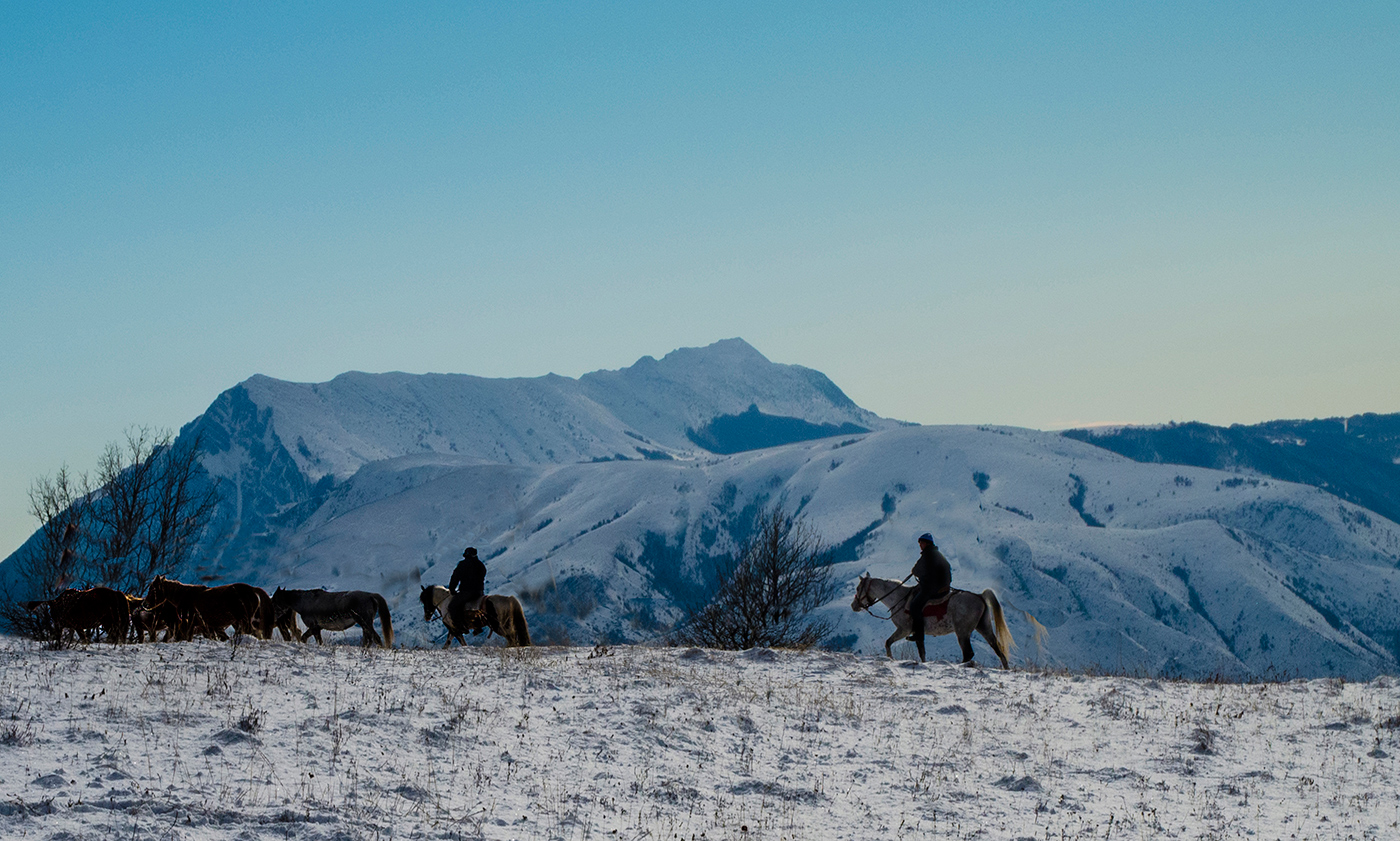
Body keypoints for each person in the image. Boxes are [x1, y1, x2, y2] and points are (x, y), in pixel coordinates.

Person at [907, 532, 951, 660]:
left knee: (915, 605)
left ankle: (918, 634)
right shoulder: (936, 554)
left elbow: (916, 570)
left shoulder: (927, 556)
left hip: (932, 589)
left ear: (926, 543)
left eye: (921, 543)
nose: (920, 545)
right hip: (942, 588)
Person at [448, 547, 488, 630]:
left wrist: (452, 589)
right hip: (479, 592)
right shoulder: (480, 565)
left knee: (452, 606)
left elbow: (455, 577)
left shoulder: (462, 564)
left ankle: (460, 626)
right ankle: (478, 626)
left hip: (467, 592)